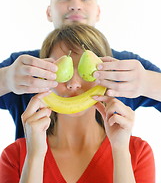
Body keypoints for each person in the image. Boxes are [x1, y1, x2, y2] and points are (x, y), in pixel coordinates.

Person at [0, 0, 161, 140]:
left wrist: (147, 82)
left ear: (98, 12)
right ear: (49, 12)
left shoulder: (126, 67)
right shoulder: (23, 68)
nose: (75, 5)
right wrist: (5, 79)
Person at [0, 24, 155, 183]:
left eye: (84, 70)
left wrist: (120, 151)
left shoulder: (137, 152)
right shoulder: (15, 155)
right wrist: (35, 155)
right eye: (61, 70)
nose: (73, 83)